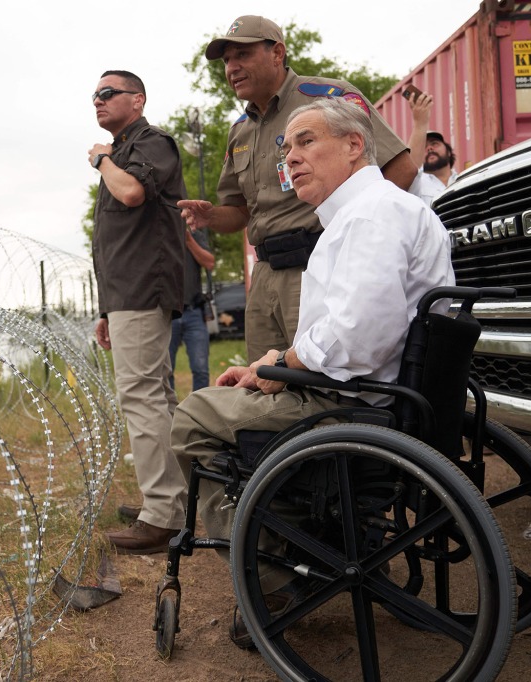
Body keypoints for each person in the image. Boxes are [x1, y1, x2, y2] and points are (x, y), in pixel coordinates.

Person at [172, 98, 455, 630]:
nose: (291, 158)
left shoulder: (371, 216)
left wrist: (283, 361)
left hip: (356, 406)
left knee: (192, 418)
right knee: (230, 396)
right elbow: (354, 330)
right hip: (377, 396)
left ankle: (279, 577)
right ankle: (311, 537)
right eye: (286, 148)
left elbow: (359, 337)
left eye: (306, 141)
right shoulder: (375, 213)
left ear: (354, 146)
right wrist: (273, 369)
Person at [178, 15, 417, 365]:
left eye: (241, 55)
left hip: (319, 265)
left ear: (277, 53)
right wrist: (212, 215)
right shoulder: (240, 131)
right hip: (264, 279)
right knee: (264, 385)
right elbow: (240, 213)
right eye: (227, 60)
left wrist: (350, 240)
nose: (231, 68)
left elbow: (401, 169)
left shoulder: (329, 100)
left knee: (322, 384)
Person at [89, 69, 189, 554]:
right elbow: (116, 242)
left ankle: (163, 513)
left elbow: (131, 193)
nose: (98, 100)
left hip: (143, 290)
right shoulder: (124, 152)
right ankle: (173, 499)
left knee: (142, 396)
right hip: (126, 294)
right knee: (157, 396)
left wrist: (103, 160)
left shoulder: (151, 144)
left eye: (108, 93)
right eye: (94, 96)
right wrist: (107, 309)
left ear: (138, 99)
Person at [168, 226, 215, 393]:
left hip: (194, 311)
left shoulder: (195, 236)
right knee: (165, 370)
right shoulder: (160, 234)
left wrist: (188, 239)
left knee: (201, 368)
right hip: (168, 313)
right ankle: (170, 413)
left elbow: (209, 262)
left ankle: (199, 412)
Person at [406, 89, 459, 205]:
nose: (429, 148)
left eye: (435, 143)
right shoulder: (417, 184)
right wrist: (420, 123)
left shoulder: (464, 179)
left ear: (449, 152)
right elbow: (410, 168)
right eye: (424, 147)